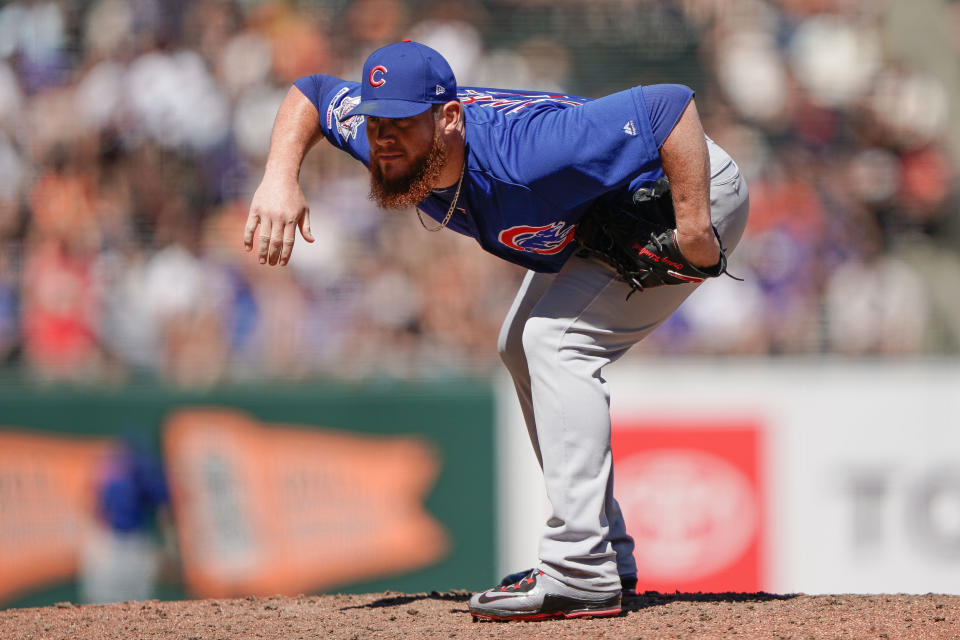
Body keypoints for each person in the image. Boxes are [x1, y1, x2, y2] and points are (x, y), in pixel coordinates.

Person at [244, 40, 749, 621]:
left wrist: (693, 224)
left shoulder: (528, 152)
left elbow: (669, 107)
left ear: (449, 118)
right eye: (375, 122)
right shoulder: (387, 140)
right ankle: (605, 550)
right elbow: (310, 93)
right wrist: (279, 178)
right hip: (603, 212)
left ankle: (580, 570)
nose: (382, 139)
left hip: (687, 186)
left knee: (554, 342)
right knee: (519, 345)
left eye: (401, 124)